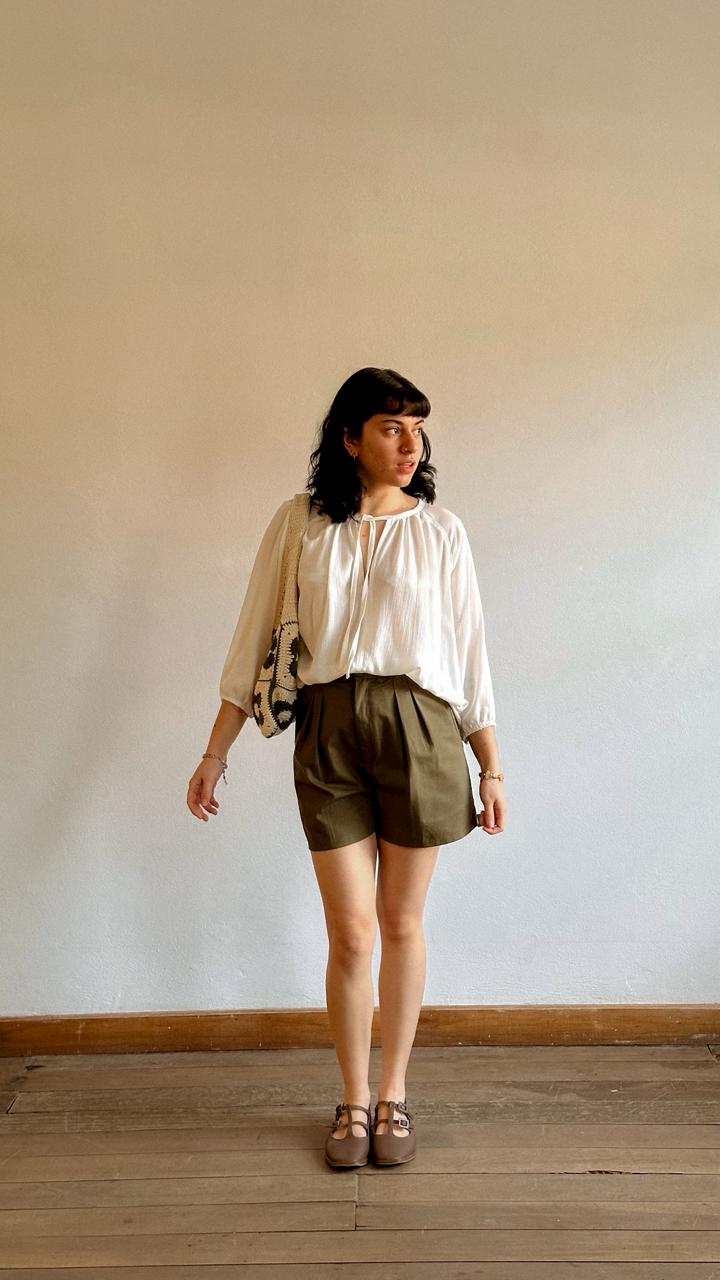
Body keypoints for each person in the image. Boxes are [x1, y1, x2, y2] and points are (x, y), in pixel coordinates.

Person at [186, 366, 506, 1170]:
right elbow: (253, 638)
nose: (410, 444)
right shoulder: (300, 523)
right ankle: (353, 1099)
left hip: (421, 728)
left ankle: (394, 1096)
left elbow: (470, 657)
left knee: (400, 923)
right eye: (391, 427)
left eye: (417, 428)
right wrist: (215, 750)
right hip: (327, 727)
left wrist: (491, 765)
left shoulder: (441, 532)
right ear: (350, 438)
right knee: (351, 930)